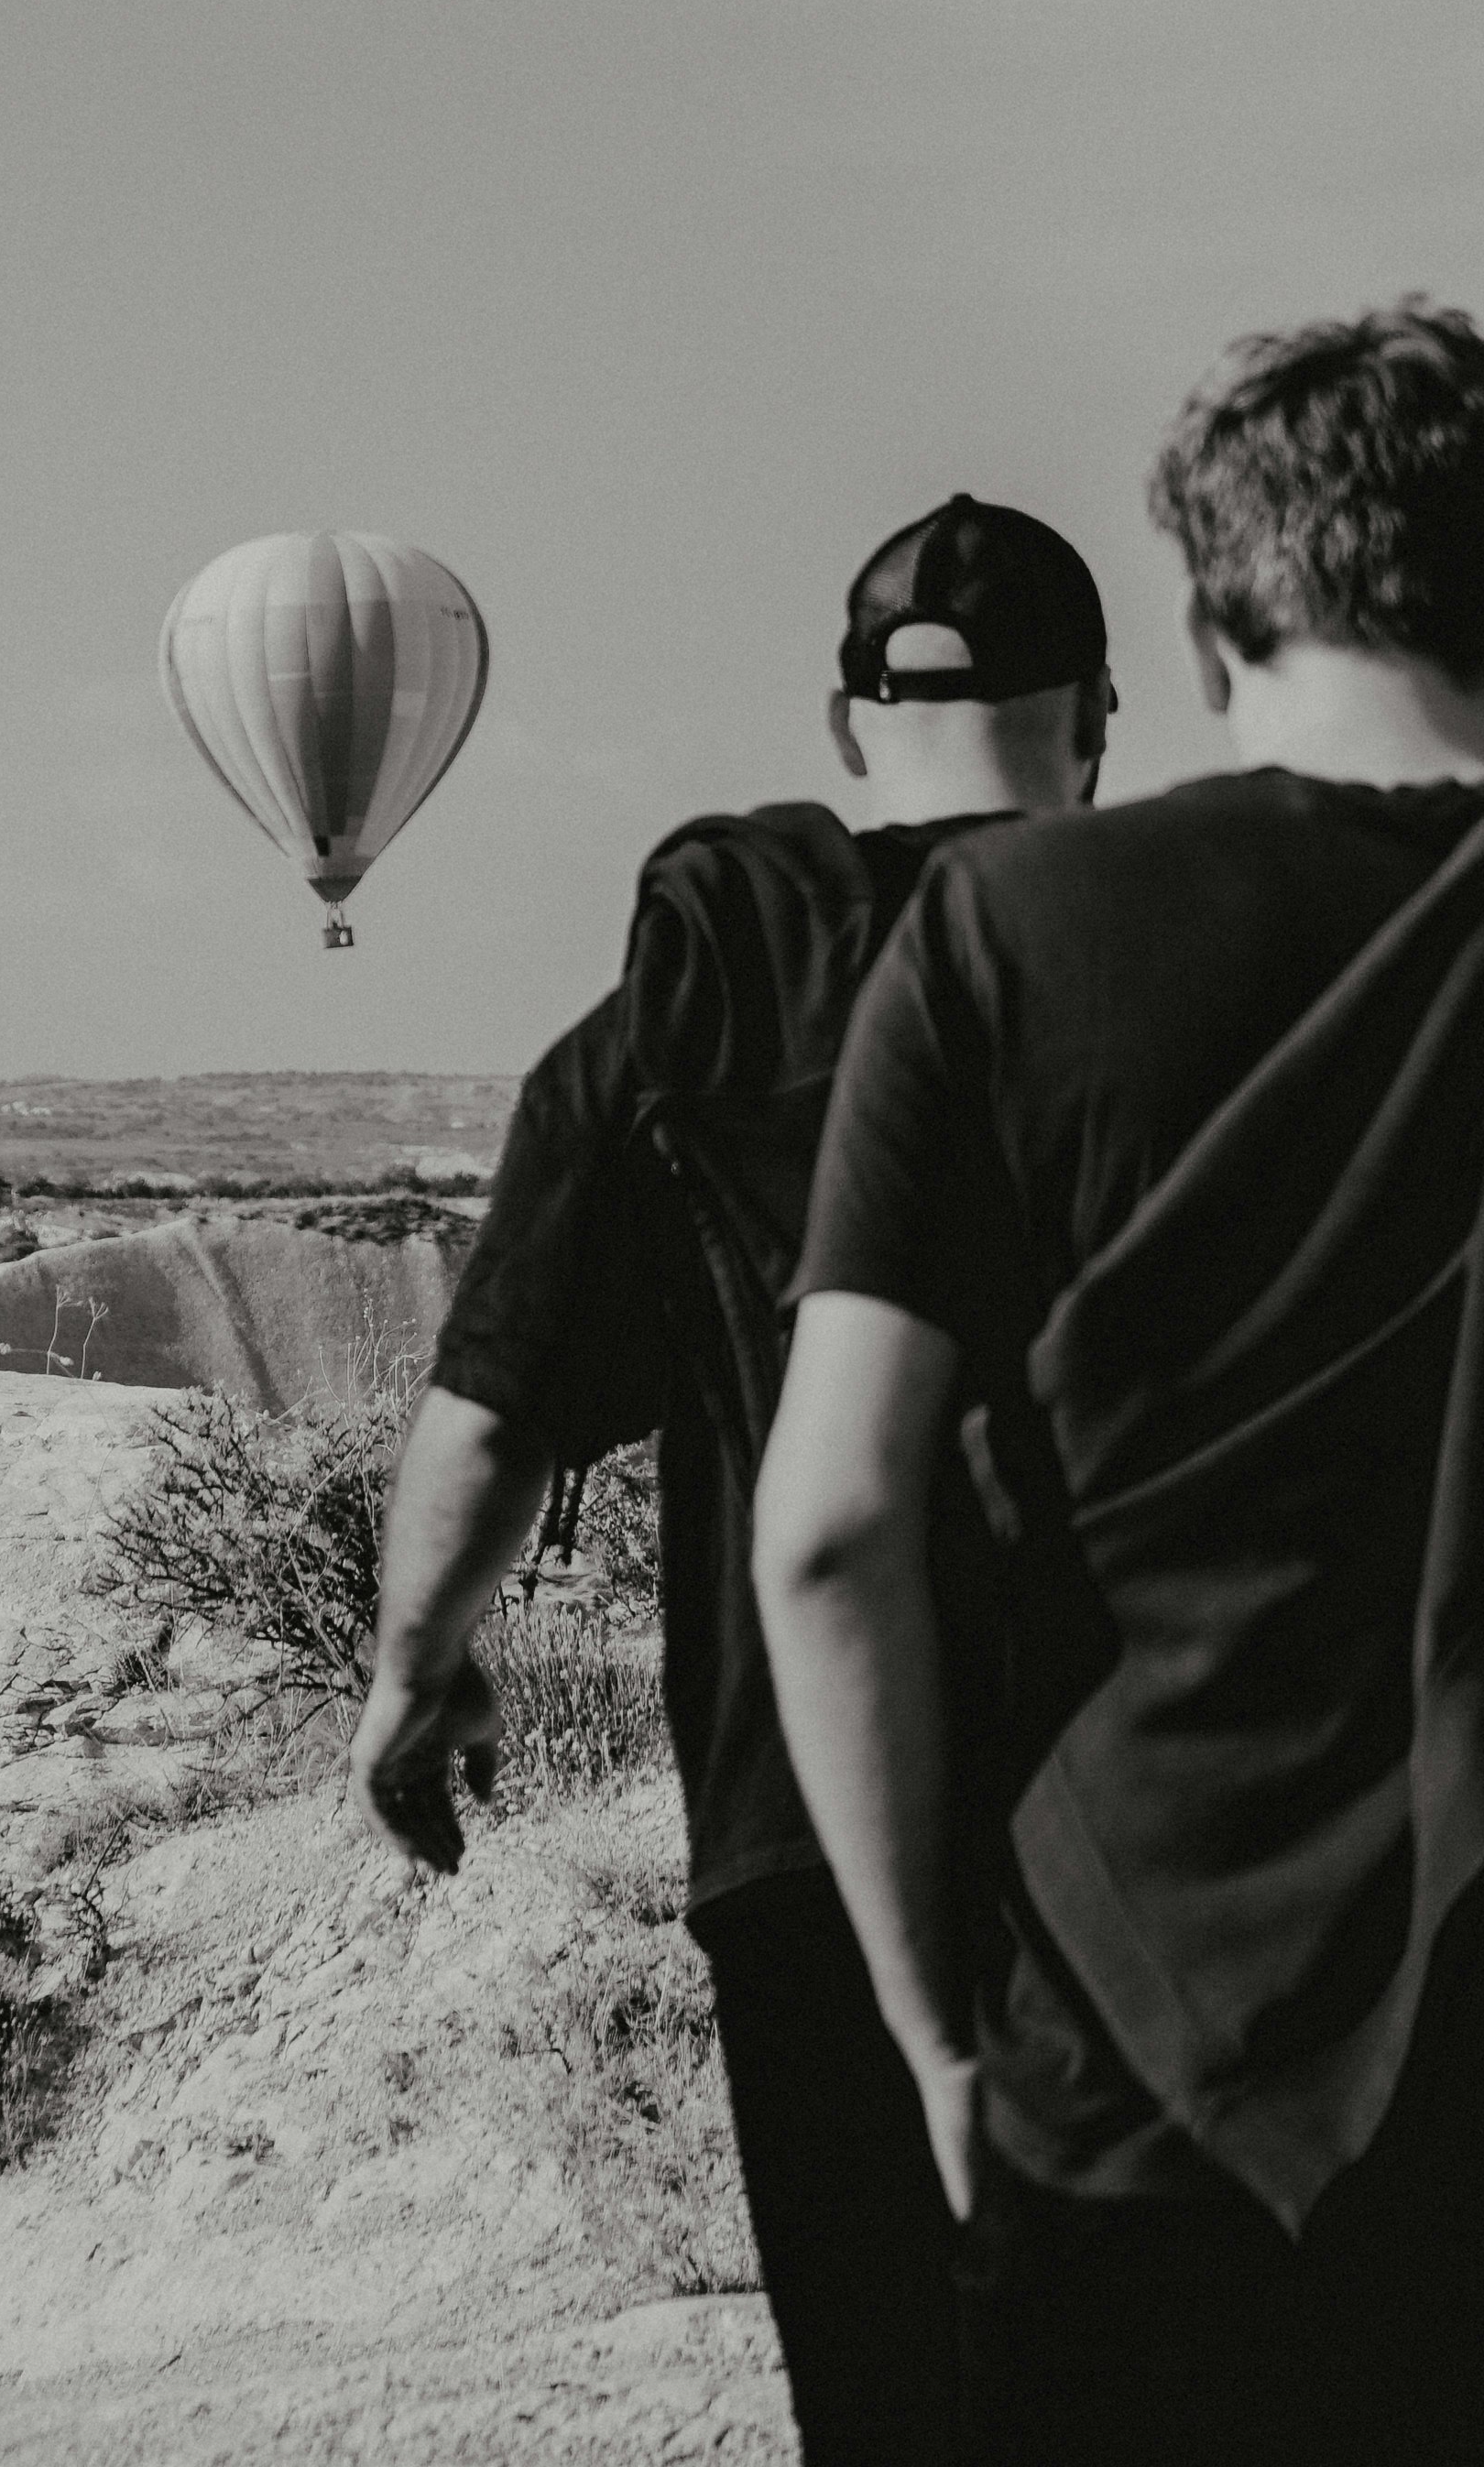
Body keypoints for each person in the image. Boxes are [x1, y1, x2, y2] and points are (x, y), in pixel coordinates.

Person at [754, 300, 1484, 2467]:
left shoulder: (1008, 944)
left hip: (1121, 2036)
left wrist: (928, 2039)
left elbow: (826, 1530)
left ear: (1194, 625)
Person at [350, 495, 1114, 2467]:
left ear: (851, 726)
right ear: (1100, 719)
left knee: (890, 2401)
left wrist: (411, 1669)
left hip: (799, 1825)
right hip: (1146, 1810)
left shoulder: (689, 1014)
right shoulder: (1178, 974)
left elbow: (492, 1408)